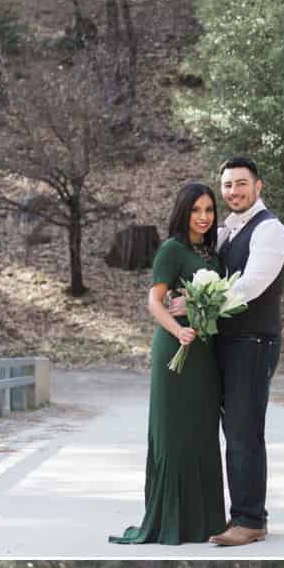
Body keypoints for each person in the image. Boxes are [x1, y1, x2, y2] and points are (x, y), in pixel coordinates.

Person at [169, 157, 284, 547]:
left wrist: (199, 303)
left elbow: (249, 286)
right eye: (227, 185)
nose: (233, 192)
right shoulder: (223, 232)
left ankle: (250, 520)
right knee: (227, 431)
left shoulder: (270, 231)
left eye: (241, 184)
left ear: (259, 186)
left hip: (253, 343)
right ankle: (239, 513)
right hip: (223, 344)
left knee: (243, 432)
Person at [109, 183, 227, 546]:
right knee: (174, 431)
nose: (204, 217)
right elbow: (154, 302)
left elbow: (218, 303)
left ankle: (205, 520)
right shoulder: (171, 250)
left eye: (209, 210)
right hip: (175, 351)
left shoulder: (214, 256)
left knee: (203, 432)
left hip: (206, 355)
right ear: (183, 212)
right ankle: (169, 519)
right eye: (196, 210)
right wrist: (179, 330)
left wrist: (198, 307)